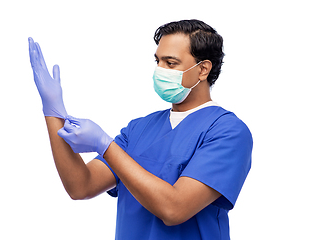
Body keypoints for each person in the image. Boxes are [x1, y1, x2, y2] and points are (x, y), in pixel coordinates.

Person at [28, 19, 253, 240]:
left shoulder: (228, 132)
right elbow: (81, 186)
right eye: (157, 61)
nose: (159, 70)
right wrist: (53, 110)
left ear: (203, 69)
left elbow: (174, 209)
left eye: (171, 63)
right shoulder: (138, 129)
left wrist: (105, 146)